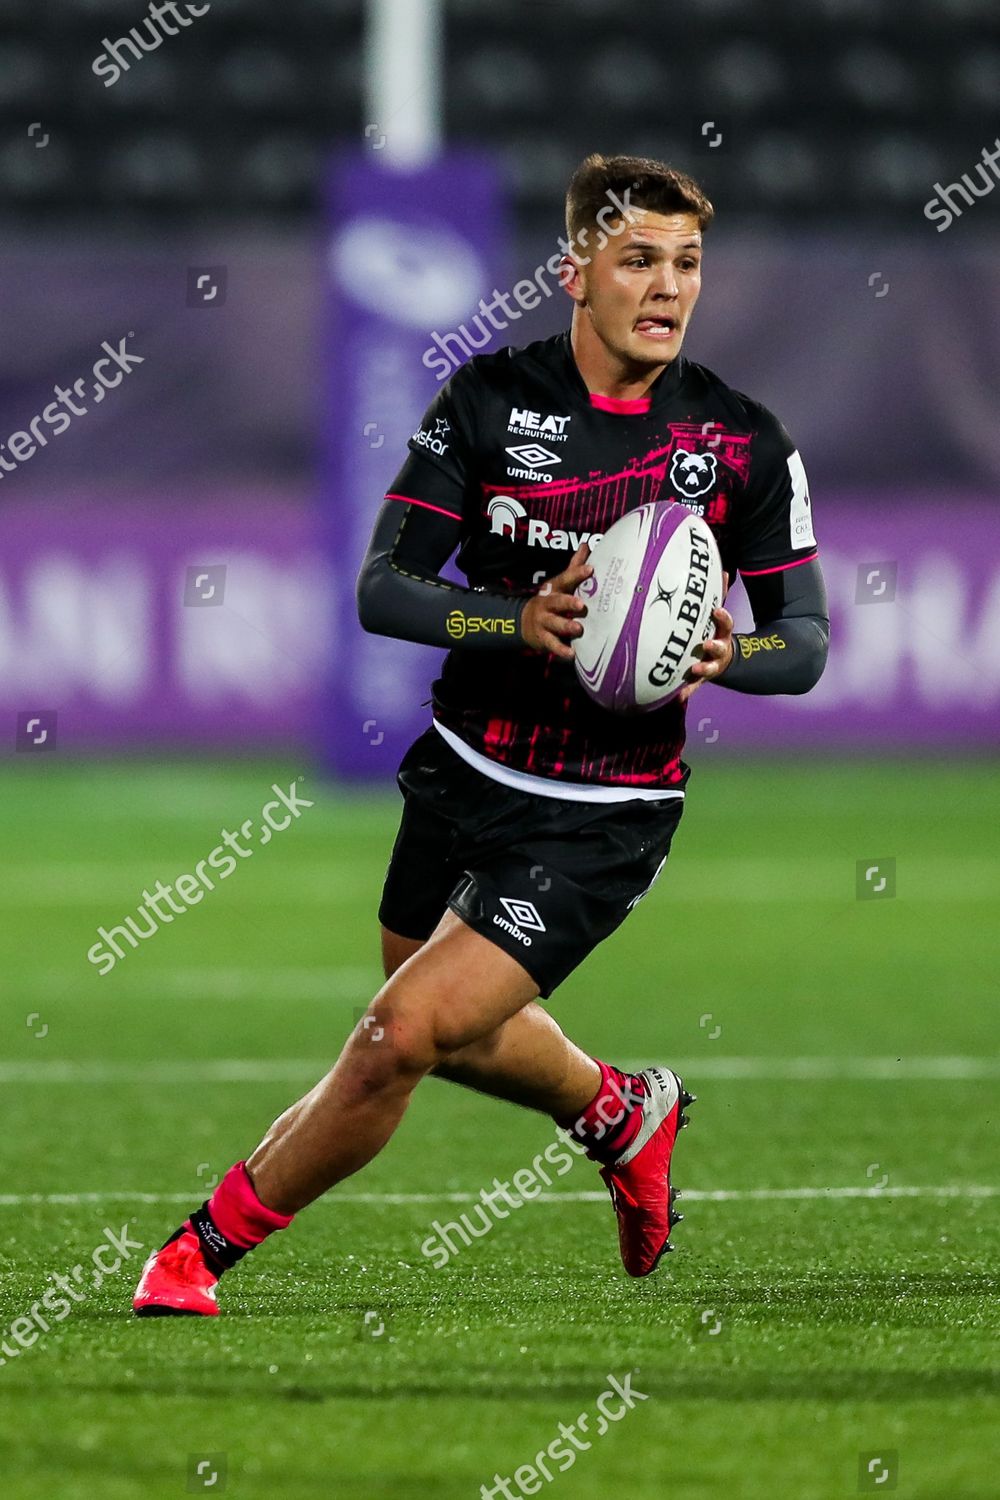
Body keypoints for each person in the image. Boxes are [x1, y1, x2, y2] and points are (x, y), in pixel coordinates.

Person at [133, 153, 828, 1316]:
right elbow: (385, 587)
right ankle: (621, 1111)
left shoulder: (742, 440)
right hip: (461, 766)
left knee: (397, 1034)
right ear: (574, 272)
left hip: (600, 810)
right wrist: (519, 619)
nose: (667, 286)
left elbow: (801, 640)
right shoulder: (488, 404)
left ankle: (199, 1250)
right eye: (638, 259)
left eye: (688, 263)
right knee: (451, 1033)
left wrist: (731, 655)